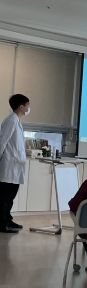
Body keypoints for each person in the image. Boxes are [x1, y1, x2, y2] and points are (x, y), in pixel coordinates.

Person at [0, 94, 30, 233]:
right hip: (9, 166)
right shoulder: (11, 120)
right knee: (4, 197)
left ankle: (8, 220)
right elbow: (2, 141)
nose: (29, 108)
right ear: (21, 107)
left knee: (10, 197)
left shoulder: (16, 120)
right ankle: (2, 223)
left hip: (15, 166)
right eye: (27, 105)